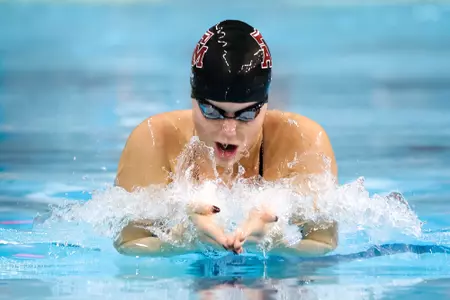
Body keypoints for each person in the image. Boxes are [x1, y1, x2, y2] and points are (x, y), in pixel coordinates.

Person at [113, 20, 338, 257]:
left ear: (265, 105)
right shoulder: (153, 140)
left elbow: (325, 244)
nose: (229, 130)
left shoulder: (303, 142)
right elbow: (127, 244)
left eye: (247, 114)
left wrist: (277, 243)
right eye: (212, 112)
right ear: (192, 98)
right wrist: (183, 241)